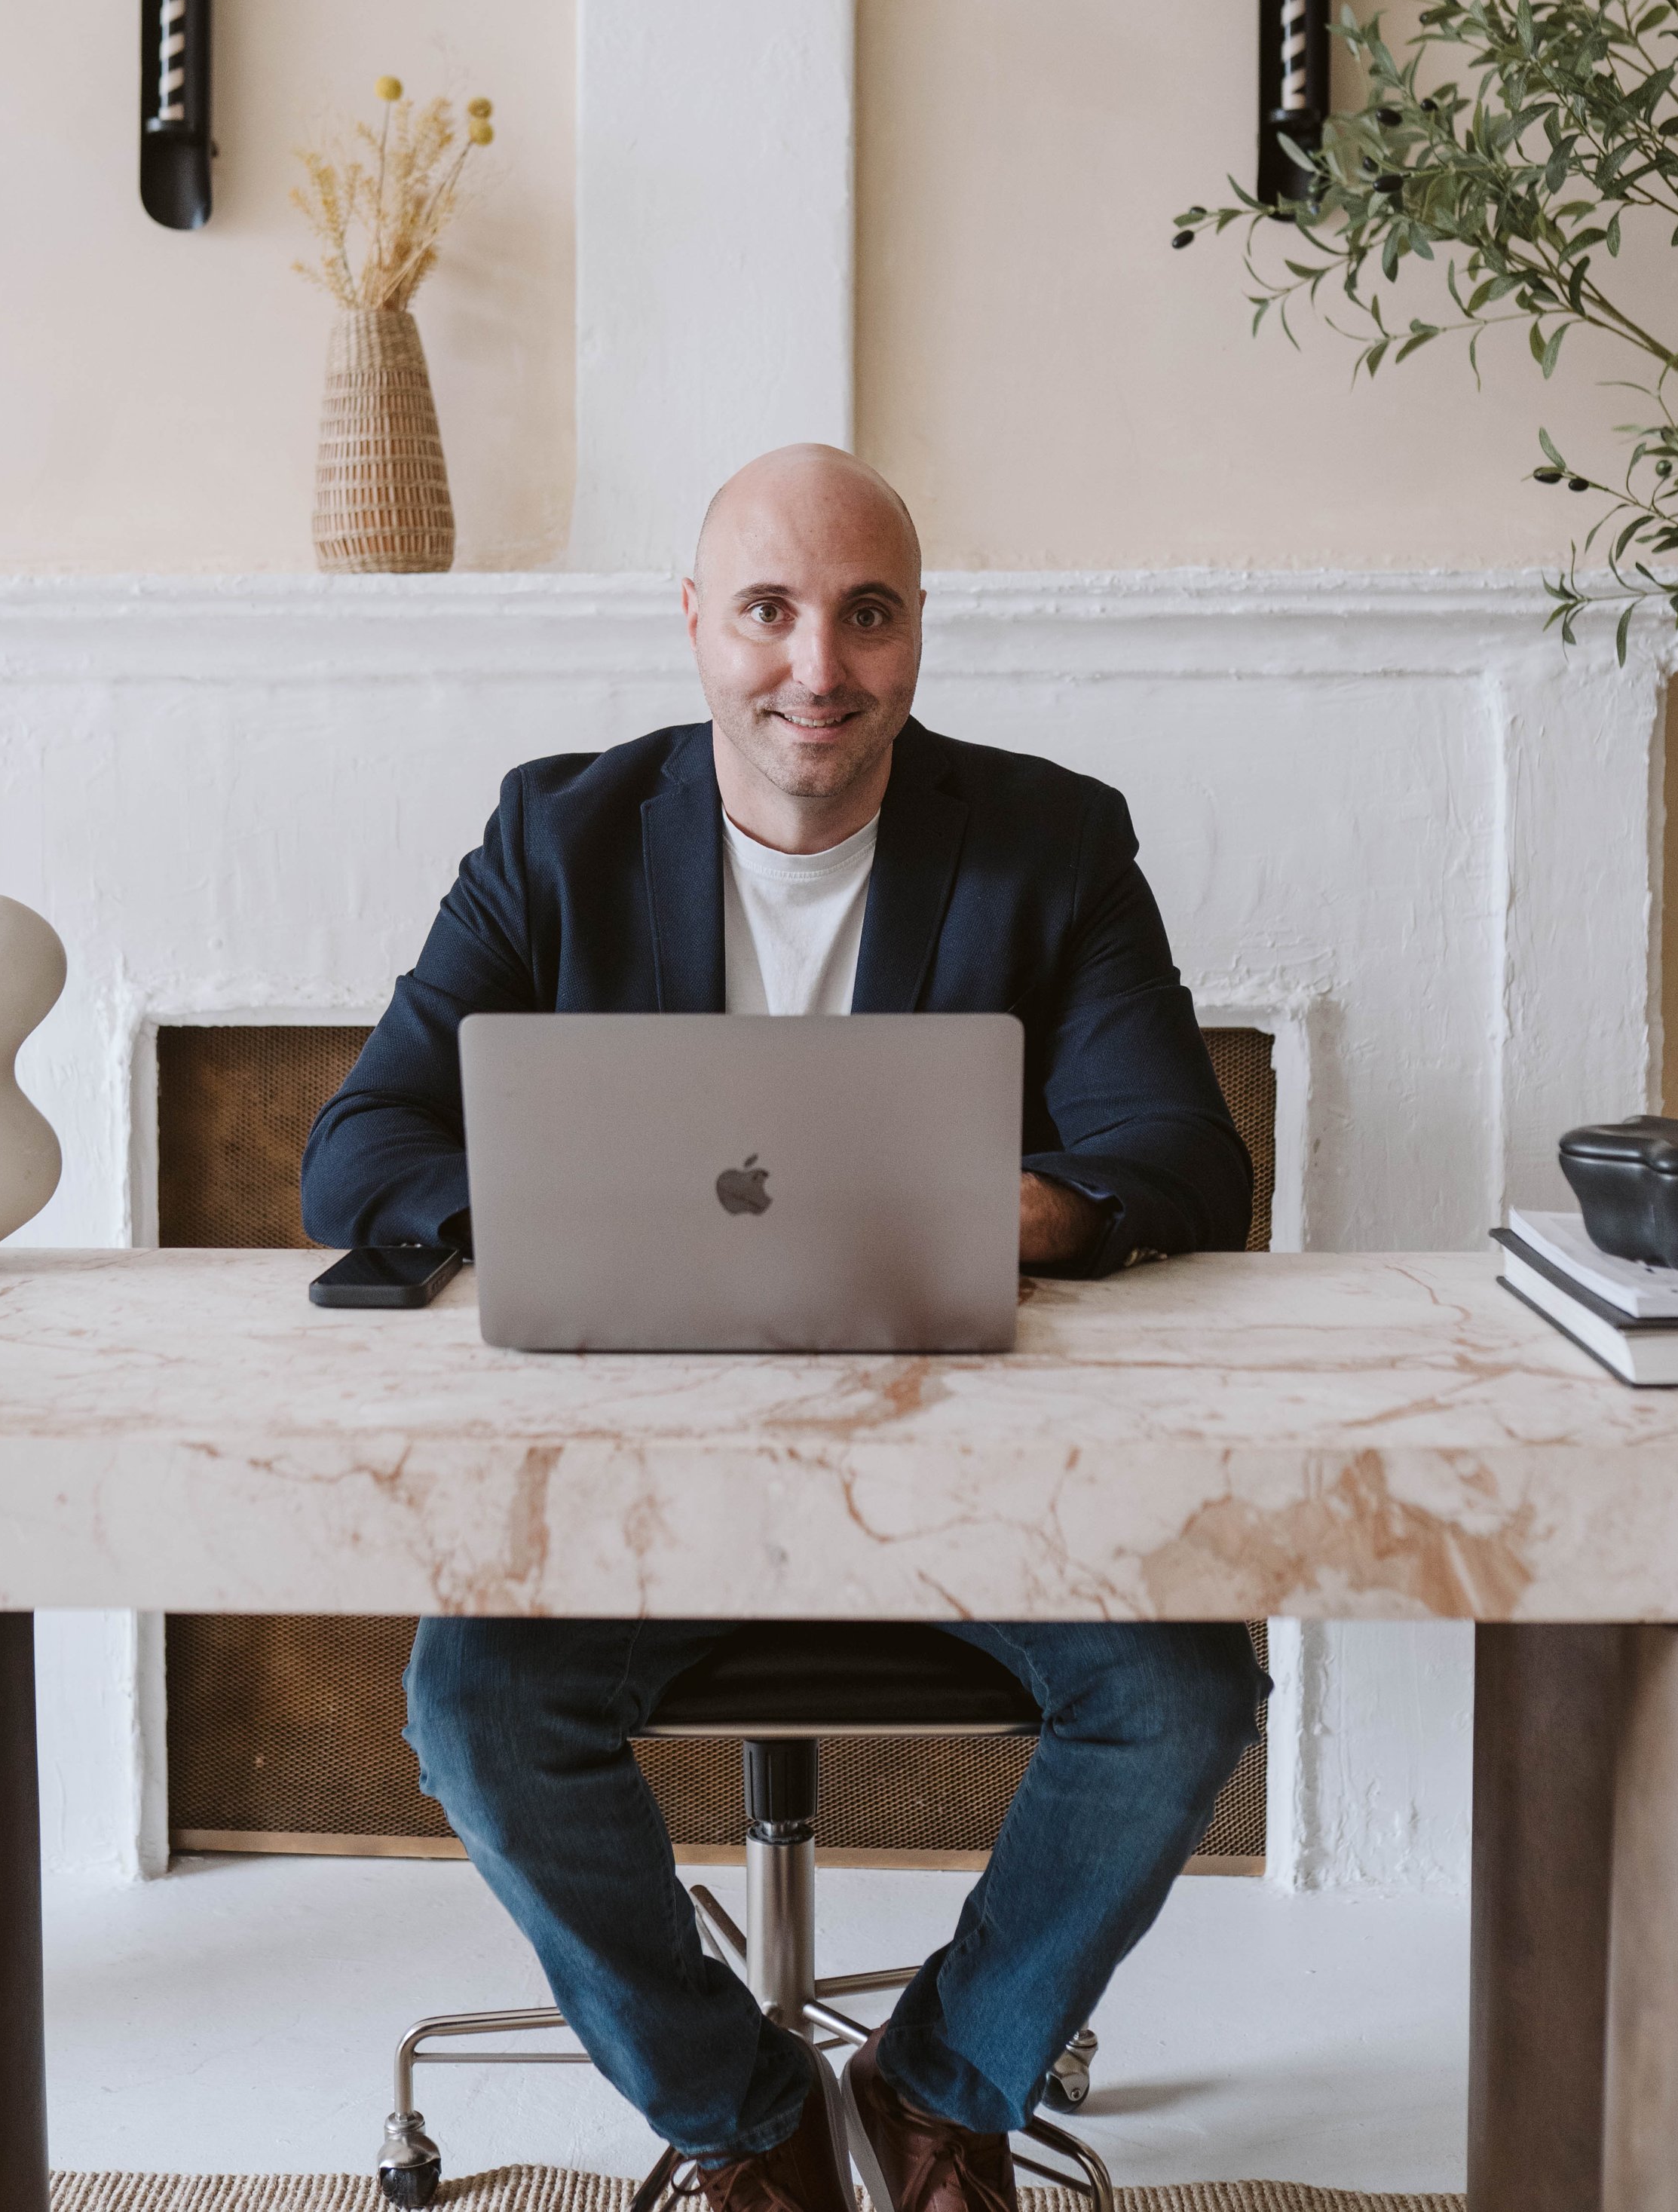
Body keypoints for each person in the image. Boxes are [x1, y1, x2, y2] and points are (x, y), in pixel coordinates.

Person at [303, 443, 1264, 2212]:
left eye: (865, 614)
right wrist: (577, 1211)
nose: (815, 666)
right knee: (473, 1700)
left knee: (1185, 1686)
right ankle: (739, 2115)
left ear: (917, 637)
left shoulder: (1051, 840)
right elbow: (357, 1148)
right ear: (695, 629)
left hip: (963, 1468)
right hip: (639, 1483)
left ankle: (938, 2081)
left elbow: (1183, 1160)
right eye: (766, 611)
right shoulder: (559, 830)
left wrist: (1008, 1210)